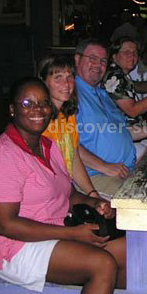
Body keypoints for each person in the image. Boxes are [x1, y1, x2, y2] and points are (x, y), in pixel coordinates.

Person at [0, 77, 126, 294]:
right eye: (28, 102)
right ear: (12, 110)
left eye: (44, 103)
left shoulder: (48, 146)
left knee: (124, 249)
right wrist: (73, 234)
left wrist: (94, 202)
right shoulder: (2, 156)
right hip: (14, 248)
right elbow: (6, 225)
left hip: (54, 228)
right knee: (102, 263)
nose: (38, 109)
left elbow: (68, 193)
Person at [74, 38, 147, 197]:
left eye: (103, 60)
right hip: (97, 175)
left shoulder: (102, 94)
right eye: (92, 59)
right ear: (77, 59)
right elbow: (67, 145)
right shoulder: (71, 94)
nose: (98, 65)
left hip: (126, 169)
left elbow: (123, 130)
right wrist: (105, 167)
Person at [37, 53, 101, 198]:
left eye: (69, 77)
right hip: (50, 193)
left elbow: (74, 157)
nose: (66, 84)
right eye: (58, 77)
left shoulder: (67, 115)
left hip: (68, 187)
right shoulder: (39, 121)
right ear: (44, 82)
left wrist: (92, 193)